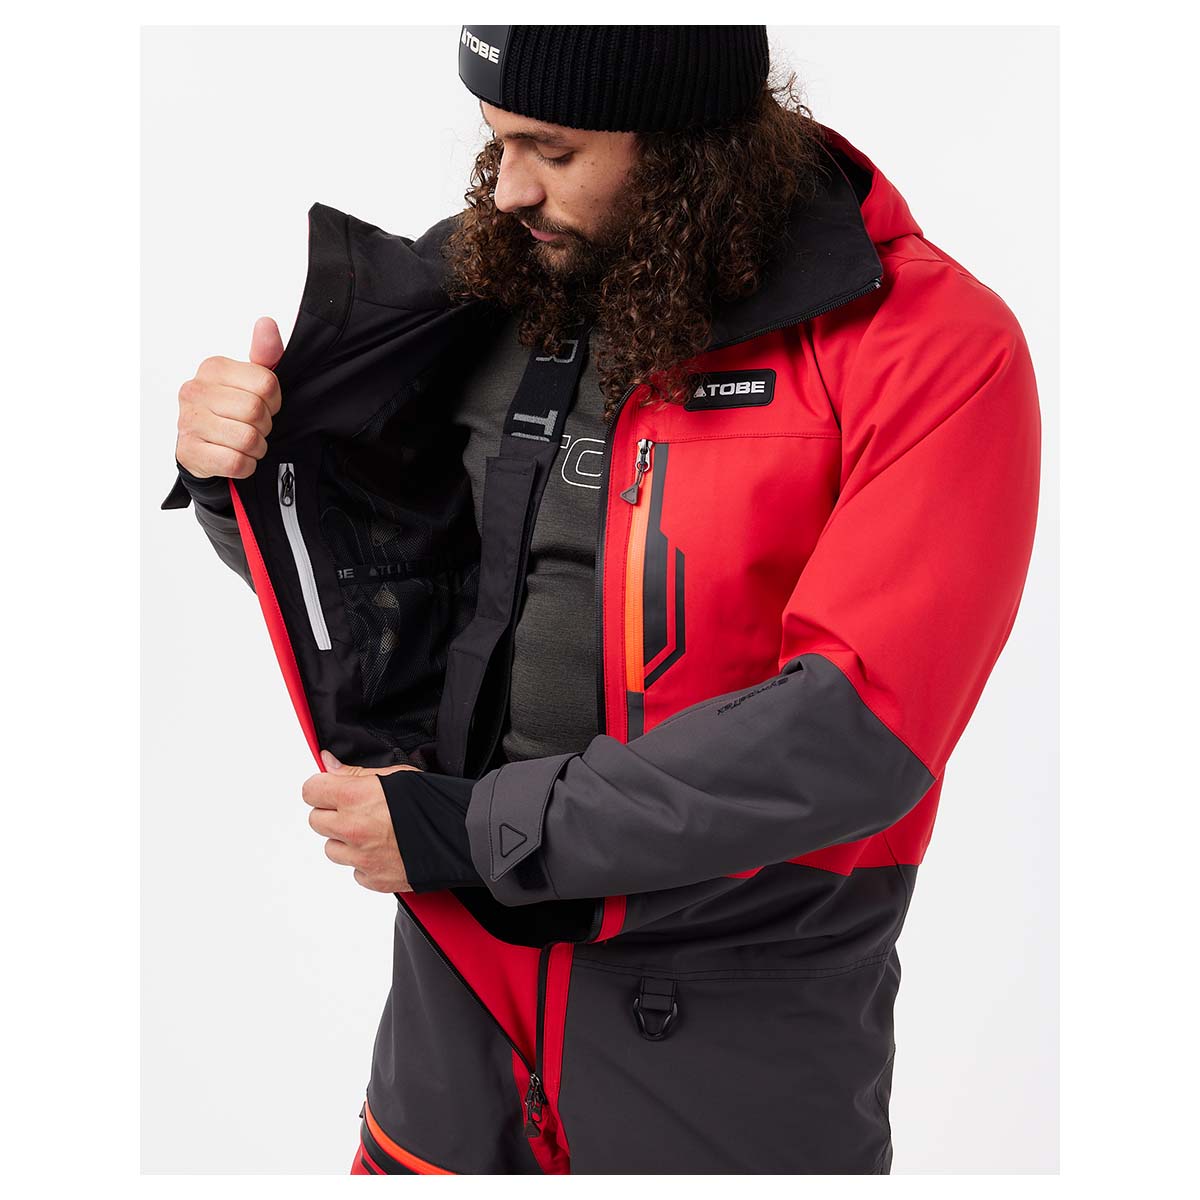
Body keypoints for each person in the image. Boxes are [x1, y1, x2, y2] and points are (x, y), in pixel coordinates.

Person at [162, 25, 1041, 1175]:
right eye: (498, 143)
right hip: (450, 1027)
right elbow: (394, 587)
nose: (508, 190)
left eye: (555, 149)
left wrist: (469, 830)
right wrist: (244, 473)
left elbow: (856, 731)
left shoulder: (928, 348)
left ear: (686, 144)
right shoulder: (492, 287)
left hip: (732, 1056)